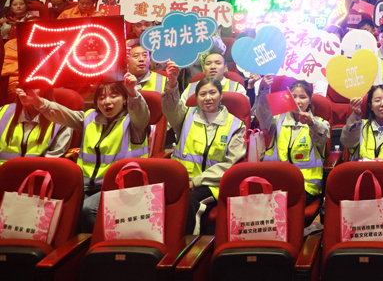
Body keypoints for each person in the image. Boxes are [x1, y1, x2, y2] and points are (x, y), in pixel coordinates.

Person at [23, 74, 151, 231]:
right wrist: (38, 102)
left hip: (119, 187)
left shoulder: (135, 122)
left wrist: (132, 92)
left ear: (125, 99)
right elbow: (62, 114)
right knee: (60, 206)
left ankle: (104, 241)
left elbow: (141, 113)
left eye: (114, 96)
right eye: (101, 98)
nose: (107, 102)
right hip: (85, 186)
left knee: (88, 210)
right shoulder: (90, 118)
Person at [163, 71, 246, 234]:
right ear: (196, 97)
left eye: (212, 93)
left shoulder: (236, 125)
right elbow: (169, 107)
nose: (208, 98)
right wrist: (172, 84)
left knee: (189, 201)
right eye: (203, 94)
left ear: (221, 95)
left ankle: (188, 244)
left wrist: (196, 182)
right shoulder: (185, 116)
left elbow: (230, 164)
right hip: (181, 179)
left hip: (212, 184)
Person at [254, 78, 330, 202]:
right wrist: (265, 90)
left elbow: (323, 137)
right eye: (293, 97)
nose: (297, 101)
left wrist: (311, 123)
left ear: (310, 100)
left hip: (306, 185)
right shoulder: (277, 120)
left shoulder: (319, 123)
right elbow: (263, 113)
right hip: (275, 182)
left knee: (280, 203)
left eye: (302, 97)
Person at [0, 86, 73, 165]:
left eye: (33, 88)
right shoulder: (2, 111)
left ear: (46, 91)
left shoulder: (62, 119)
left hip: (40, 171)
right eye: (22, 88)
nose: (24, 93)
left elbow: (52, 162)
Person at [181, 49, 246, 100]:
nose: (213, 67)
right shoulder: (192, 88)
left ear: (224, 68)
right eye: (208, 64)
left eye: (218, 63)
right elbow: (180, 111)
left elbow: (244, 111)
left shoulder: (237, 88)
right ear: (203, 69)